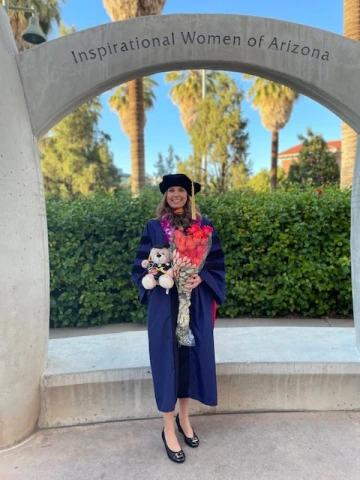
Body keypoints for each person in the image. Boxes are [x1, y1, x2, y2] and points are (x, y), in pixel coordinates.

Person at [132, 174, 225, 463]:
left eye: (181, 190)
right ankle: (167, 427)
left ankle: (184, 420)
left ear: (189, 195)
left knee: (188, 358)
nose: (176, 194)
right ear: (165, 195)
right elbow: (141, 264)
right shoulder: (153, 227)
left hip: (193, 302)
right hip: (163, 303)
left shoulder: (204, 227)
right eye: (171, 190)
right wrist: (153, 275)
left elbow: (217, 263)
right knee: (165, 360)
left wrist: (202, 276)